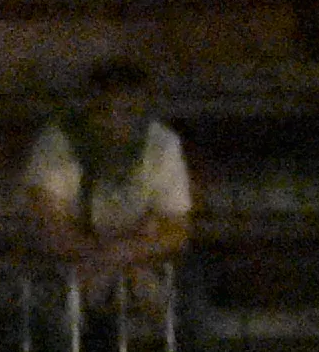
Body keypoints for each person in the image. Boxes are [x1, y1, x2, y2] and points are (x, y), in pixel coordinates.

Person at [20, 57, 195, 281]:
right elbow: (48, 225)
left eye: (128, 112)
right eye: (104, 111)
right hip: (70, 266)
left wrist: (126, 252)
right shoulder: (58, 141)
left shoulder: (162, 143)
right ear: (88, 109)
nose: (115, 123)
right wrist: (100, 257)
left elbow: (176, 230)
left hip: (136, 263)